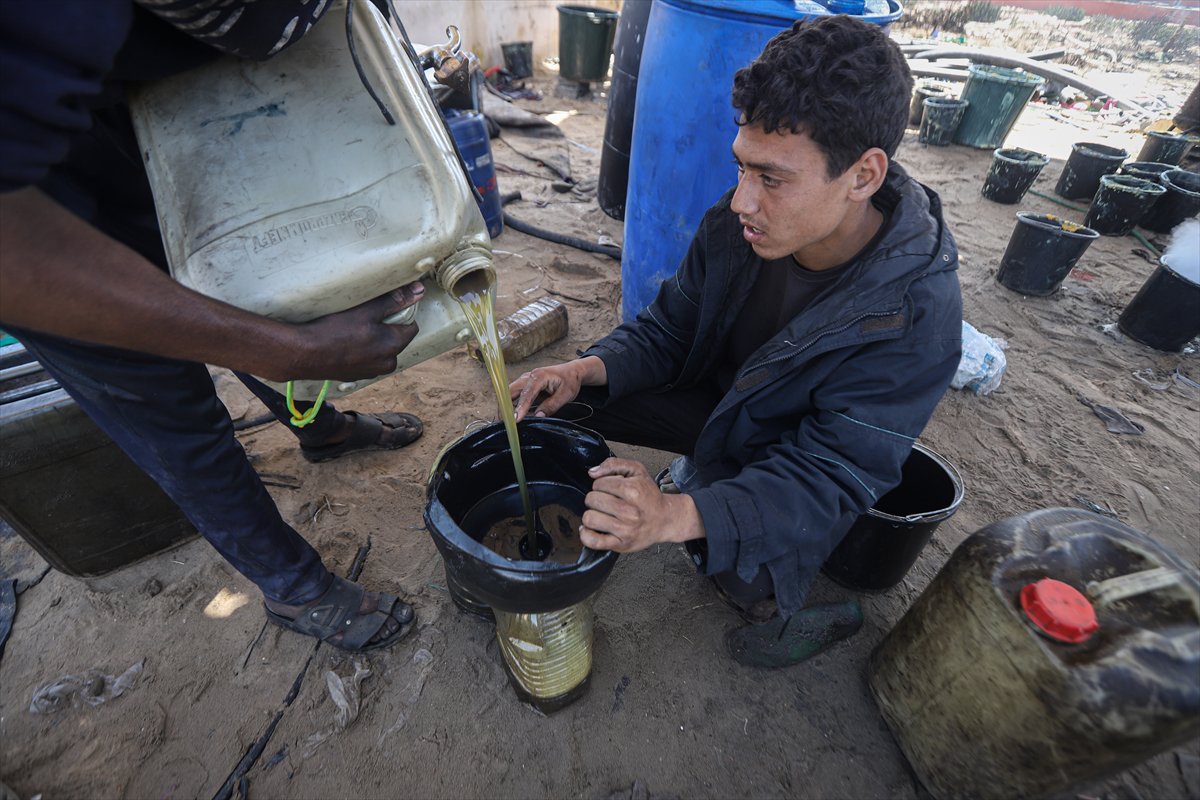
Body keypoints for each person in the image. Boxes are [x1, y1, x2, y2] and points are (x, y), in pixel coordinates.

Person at [510, 15, 963, 668]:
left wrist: (673, 515)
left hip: (787, 454)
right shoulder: (736, 223)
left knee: (744, 582)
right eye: (742, 168)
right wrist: (586, 367)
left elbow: (829, 473)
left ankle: (799, 602)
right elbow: (669, 329)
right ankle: (701, 476)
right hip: (718, 404)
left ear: (863, 176)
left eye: (772, 179)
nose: (742, 200)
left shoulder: (916, 313)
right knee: (555, 408)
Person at [0, 1, 428, 651]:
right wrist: (286, 352)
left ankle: (322, 430)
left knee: (257, 292)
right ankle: (293, 588)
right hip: (44, 236)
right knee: (175, 417)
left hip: (148, 119)